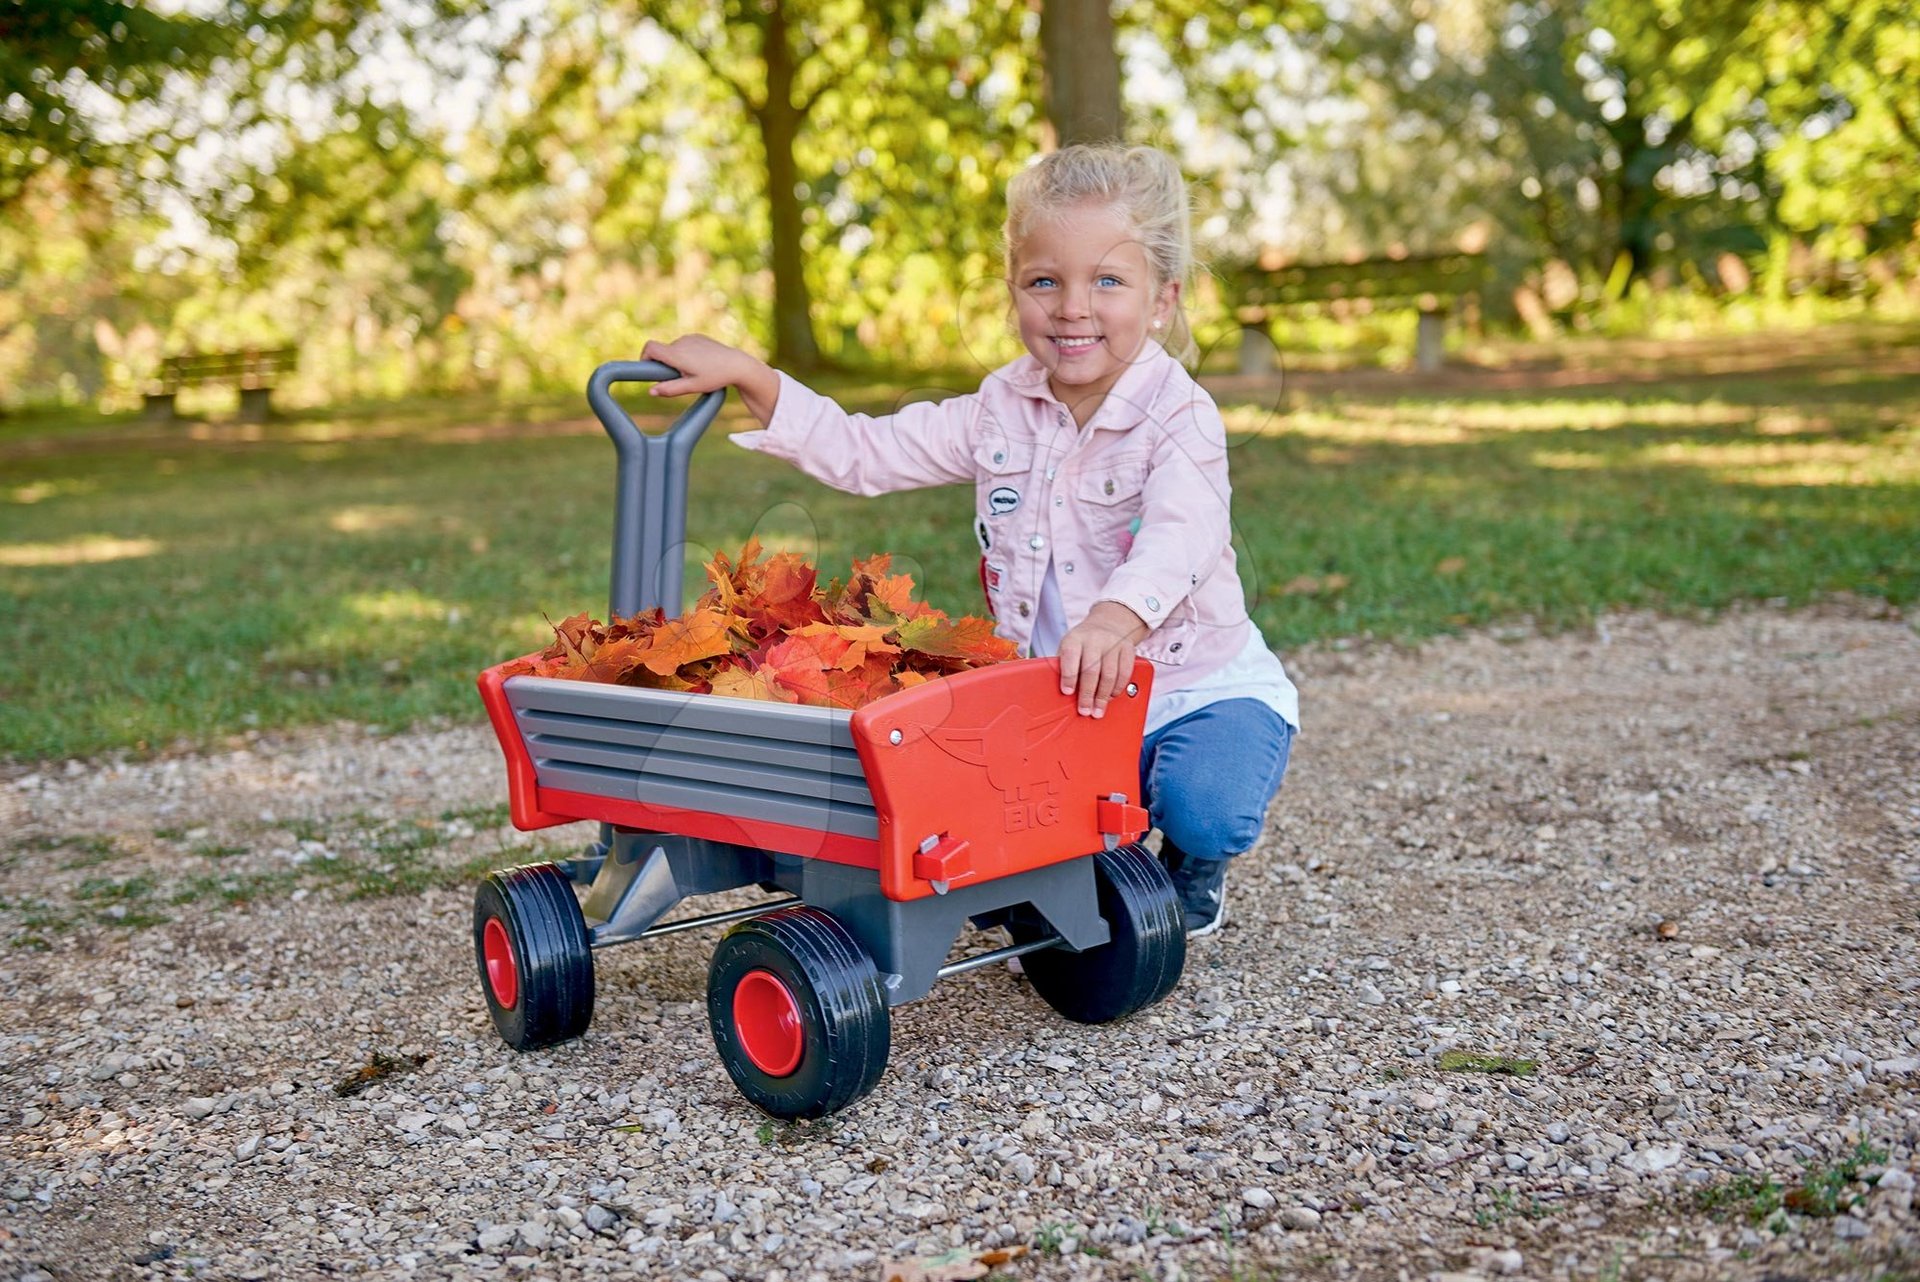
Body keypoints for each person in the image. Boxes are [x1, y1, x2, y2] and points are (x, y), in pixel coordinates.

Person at [641, 143, 1298, 936]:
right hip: (1064, 688)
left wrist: (1117, 619)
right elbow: (866, 451)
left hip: (1196, 681)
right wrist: (754, 376)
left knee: (1205, 807)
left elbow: (1181, 535)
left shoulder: (1181, 416)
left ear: (1162, 300)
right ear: (1015, 290)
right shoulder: (998, 409)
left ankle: (1192, 862)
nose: (1073, 307)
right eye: (1044, 281)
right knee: (1003, 823)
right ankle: (1095, 851)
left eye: (1109, 282)